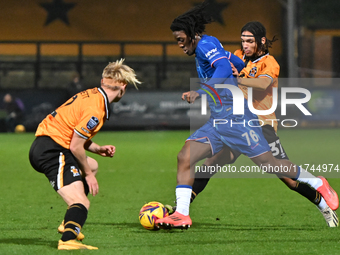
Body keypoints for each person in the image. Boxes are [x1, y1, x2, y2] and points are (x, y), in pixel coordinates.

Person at [156, 1, 338, 229]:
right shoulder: (212, 46)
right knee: (186, 157)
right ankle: (181, 214)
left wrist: (202, 91)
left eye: (181, 40)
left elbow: (227, 70)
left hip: (244, 120)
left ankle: (318, 183)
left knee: (275, 167)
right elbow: (232, 62)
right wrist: (238, 67)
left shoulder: (210, 47)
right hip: (220, 120)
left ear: (192, 35)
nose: (180, 45)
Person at [29, 59, 140, 250]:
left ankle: (69, 222)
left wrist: (97, 148)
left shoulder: (92, 94)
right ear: (123, 86)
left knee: (93, 165)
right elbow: (75, 146)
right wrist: (87, 175)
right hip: (52, 150)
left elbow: (74, 133)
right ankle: (67, 240)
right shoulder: (96, 109)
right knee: (82, 201)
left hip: (50, 144)